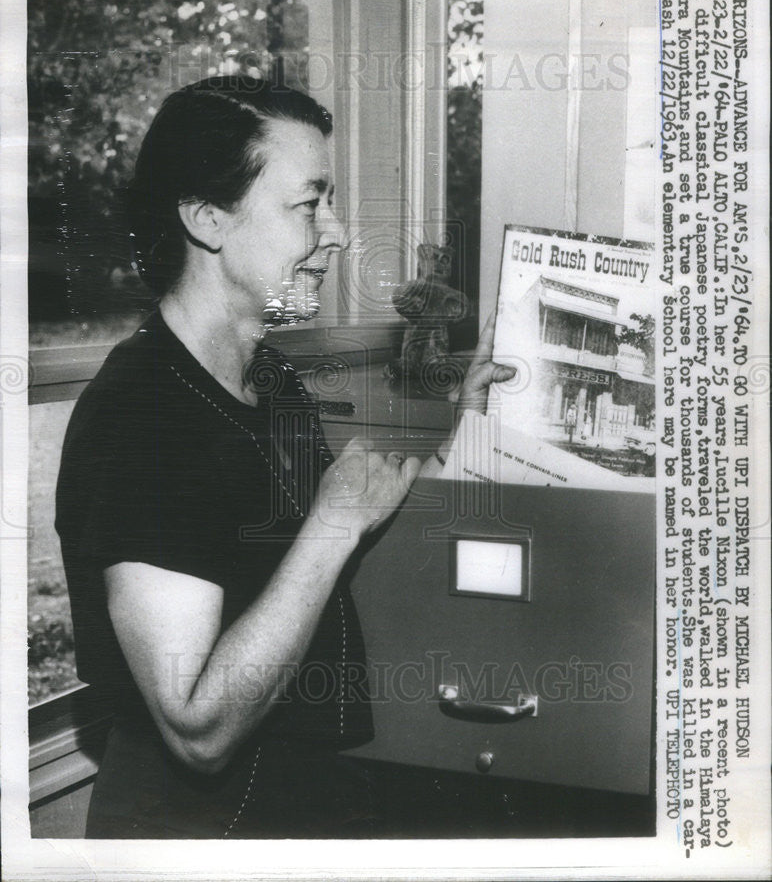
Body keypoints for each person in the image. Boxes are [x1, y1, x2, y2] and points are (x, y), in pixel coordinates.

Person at [56, 77, 513, 839]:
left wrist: (473, 424)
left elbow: (345, 535)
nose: (334, 233)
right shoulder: (143, 416)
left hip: (301, 798)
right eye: (309, 204)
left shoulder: (266, 378)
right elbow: (198, 728)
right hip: (205, 829)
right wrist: (332, 524)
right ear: (208, 220)